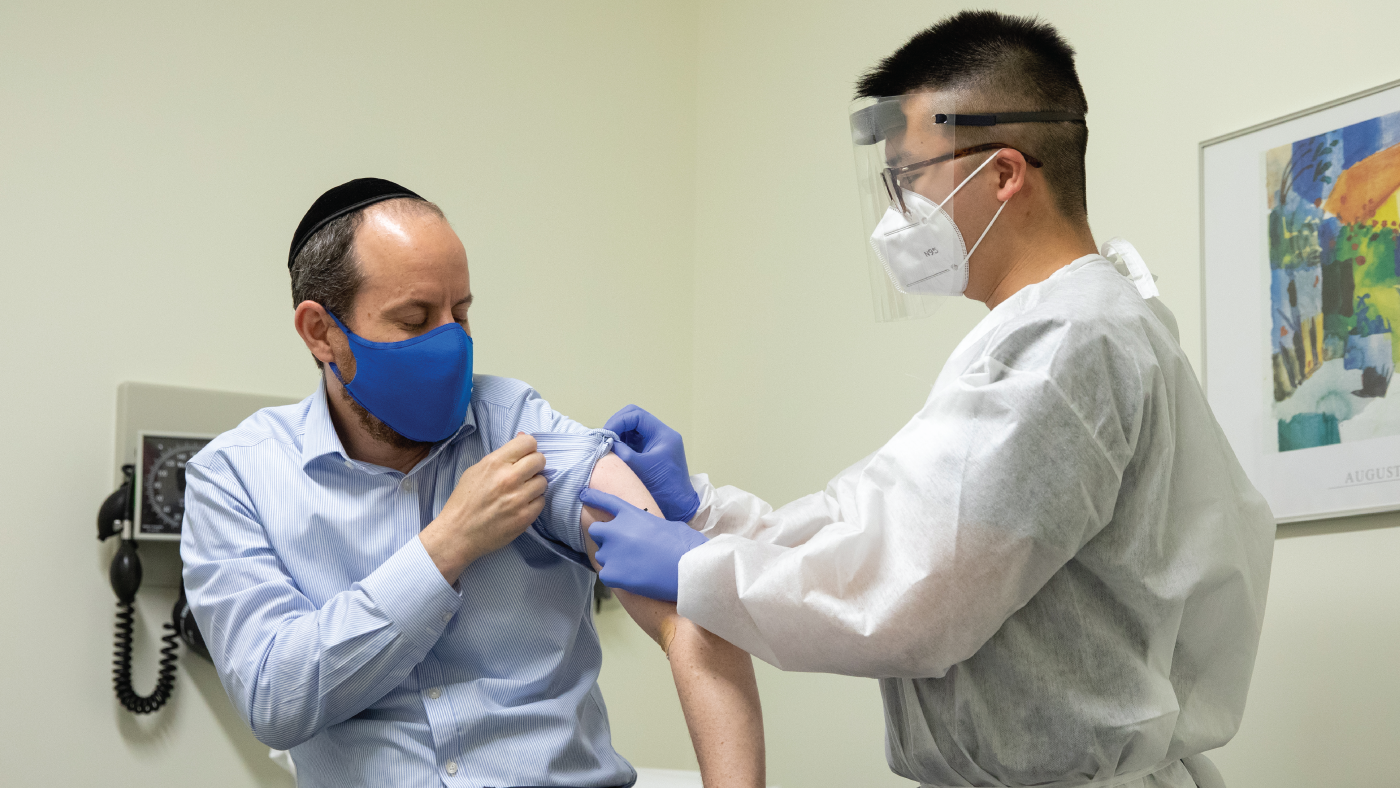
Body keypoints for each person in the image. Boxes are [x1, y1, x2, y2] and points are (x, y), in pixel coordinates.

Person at [581, 13, 1275, 788]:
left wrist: (698, 570)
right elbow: (879, 530)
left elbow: (915, 597)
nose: (896, 212)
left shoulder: (1072, 343)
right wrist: (706, 513)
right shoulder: (1045, 335)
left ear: (1006, 174)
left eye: (909, 177)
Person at [180, 178, 764, 788]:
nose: (452, 343)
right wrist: (446, 548)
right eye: (415, 320)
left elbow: (688, 605)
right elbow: (276, 697)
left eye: (461, 313)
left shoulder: (514, 426)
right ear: (320, 332)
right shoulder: (236, 479)